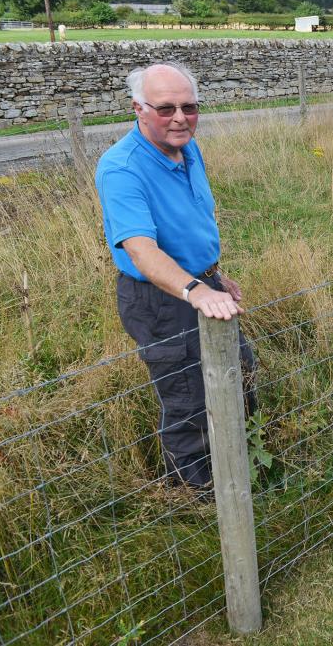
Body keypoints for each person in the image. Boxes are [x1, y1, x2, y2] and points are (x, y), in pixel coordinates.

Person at [95, 62, 255, 492]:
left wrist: (213, 276)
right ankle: (198, 499)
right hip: (160, 299)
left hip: (202, 284)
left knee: (240, 375)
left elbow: (190, 222)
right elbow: (141, 251)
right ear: (138, 109)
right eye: (166, 109)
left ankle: (242, 474)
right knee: (189, 400)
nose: (180, 117)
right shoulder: (122, 168)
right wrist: (195, 288)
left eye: (189, 106)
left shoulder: (187, 147)